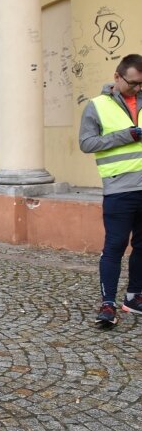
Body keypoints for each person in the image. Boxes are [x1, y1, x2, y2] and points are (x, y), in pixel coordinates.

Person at [79, 53, 142, 329]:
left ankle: (134, 297)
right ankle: (108, 304)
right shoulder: (96, 106)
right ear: (117, 77)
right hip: (119, 190)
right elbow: (87, 143)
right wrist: (126, 135)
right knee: (114, 247)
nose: (138, 88)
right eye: (133, 83)